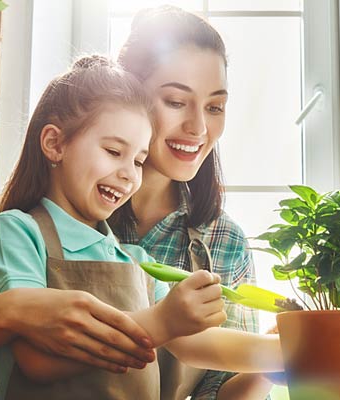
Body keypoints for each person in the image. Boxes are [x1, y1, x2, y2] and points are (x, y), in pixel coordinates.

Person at [0, 55, 283, 400]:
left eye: (138, 160)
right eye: (113, 151)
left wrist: (284, 350)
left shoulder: (134, 259)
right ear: (55, 143)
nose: (129, 174)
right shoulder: (19, 232)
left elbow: (194, 342)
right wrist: (161, 322)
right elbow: (37, 361)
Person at [108, 5, 273, 399]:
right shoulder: (54, 213)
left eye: (215, 107)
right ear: (127, 93)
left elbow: (222, 391)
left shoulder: (224, 241)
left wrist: (276, 357)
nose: (199, 128)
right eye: (176, 101)